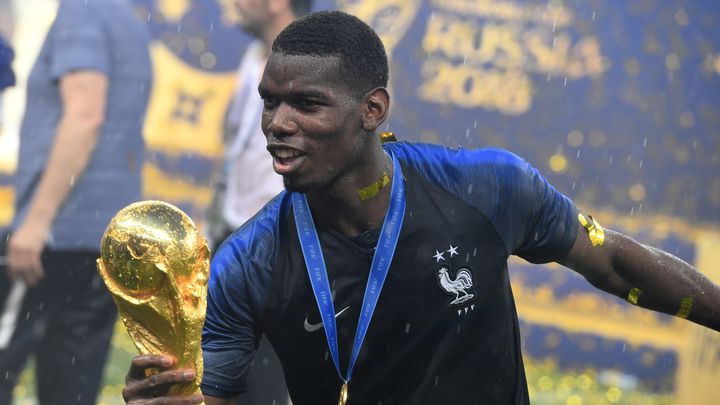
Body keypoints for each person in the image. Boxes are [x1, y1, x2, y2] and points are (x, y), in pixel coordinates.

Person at [122, 11, 720, 405]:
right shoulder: (249, 261)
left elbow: (613, 261)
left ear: (373, 110)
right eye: (270, 101)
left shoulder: (487, 187)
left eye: (306, 104)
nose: (278, 124)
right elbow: (212, 398)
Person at [0, 0, 152, 403]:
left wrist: (36, 222)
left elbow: (85, 116)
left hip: (56, 236)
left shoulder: (83, 12)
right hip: (102, 237)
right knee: (72, 383)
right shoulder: (127, 20)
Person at [206, 0, 311, 403]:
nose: (233, 4)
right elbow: (236, 144)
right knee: (216, 368)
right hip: (233, 230)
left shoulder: (311, 65)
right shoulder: (254, 55)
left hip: (281, 241)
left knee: (262, 380)